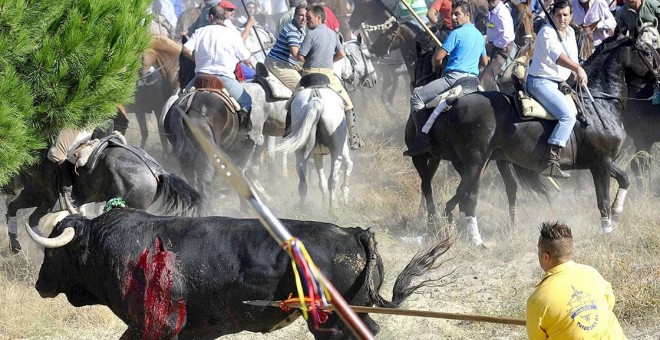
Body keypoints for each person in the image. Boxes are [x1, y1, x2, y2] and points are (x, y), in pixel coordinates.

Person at [404, 1, 488, 157]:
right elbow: (484, 62)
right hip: (474, 81)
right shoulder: (478, 34)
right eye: (453, 14)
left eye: (458, 14)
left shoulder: (456, 33)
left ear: (467, 15)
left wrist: (436, 66)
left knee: (416, 97)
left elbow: (438, 57)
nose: (454, 18)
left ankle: (423, 140)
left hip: (453, 79)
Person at [526, 221, 627, 339]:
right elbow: (609, 303)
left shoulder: (538, 300)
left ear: (545, 257)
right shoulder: (592, 273)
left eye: (539, 251)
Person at [526, 0, 586, 178]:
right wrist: (577, 68)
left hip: (560, 83)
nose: (562, 19)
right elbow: (557, 57)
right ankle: (551, 161)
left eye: (565, 15)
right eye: (558, 15)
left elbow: (573, 58)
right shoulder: (546, 32)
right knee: (568, 116)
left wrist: (577, 71)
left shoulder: (571, 33)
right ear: (552, 16)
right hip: (540, 81)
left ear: (571, 16)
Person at [297, 4, 362, 149]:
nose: (307, 21)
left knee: (291, 103)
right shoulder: (333, 34)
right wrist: (328, 62)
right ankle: (354, 138)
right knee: (348, 103)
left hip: (309, 74)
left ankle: (289, 133)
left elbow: (299, 56)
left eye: (309, 18)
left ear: (319, 18)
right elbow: (341, 54)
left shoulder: (310, 35)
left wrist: (310, 62)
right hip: (328, 76)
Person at [182, 5, 253, 116]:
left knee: (180, 99)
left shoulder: (200, 32)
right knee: (247, 101)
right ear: (224, 17)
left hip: (200, 78)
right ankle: (243, 133)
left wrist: (195, 59)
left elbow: (186, 49)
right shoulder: (233, 35)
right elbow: (247, 60)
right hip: (224, 79)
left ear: (211, 17)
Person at [266, 4, 307, 90]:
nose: (304, 18)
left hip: (287, 62)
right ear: (295, 15)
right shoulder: (292, 30)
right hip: (278, 63)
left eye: (306, 16)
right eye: (301, 15)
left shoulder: (299, 29)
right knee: (302, 88)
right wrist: (311, 62)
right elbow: (295, 54)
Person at [479, 0, 515, 91]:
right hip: (493, 46)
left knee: (487, 76)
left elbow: (506, 37)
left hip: (502, 50)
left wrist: (493, 45)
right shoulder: (492, 11)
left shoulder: (501, 13)